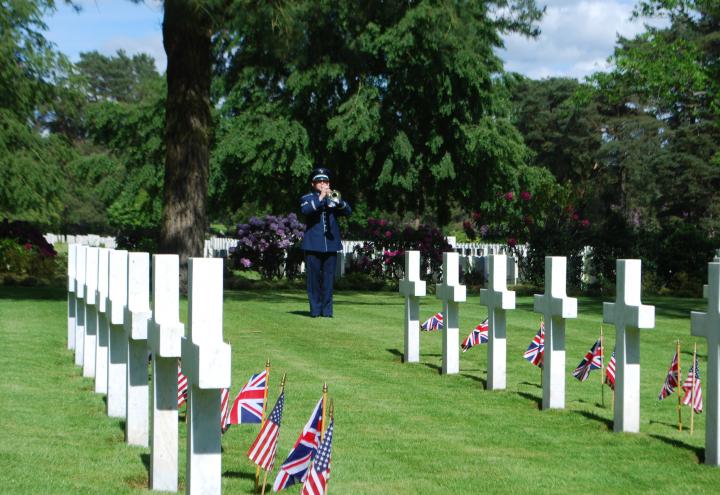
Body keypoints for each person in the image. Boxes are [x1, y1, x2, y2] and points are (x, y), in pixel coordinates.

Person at [300, 167, 351, 317]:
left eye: (325, 181)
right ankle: (315, 311)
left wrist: (338, 201)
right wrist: (321, 197)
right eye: (319, 181)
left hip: (331, 244)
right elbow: (306, 211)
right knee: (313, 280)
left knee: (328, 280)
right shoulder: (307, 198)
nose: (323, 184)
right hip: (313, 245)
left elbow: (348, 211)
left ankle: (327, 311)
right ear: (313, 184)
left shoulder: (333, 197)